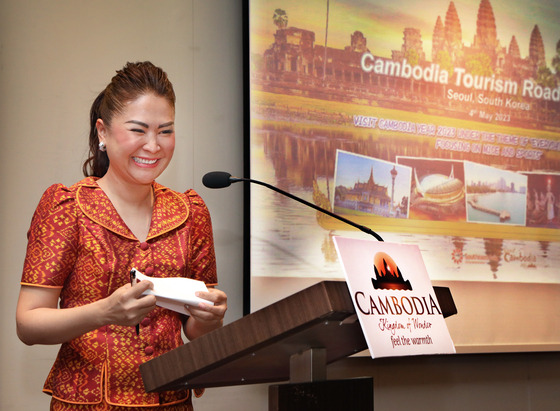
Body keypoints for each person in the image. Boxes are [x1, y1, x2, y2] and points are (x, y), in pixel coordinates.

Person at [16, 61, 227, 410]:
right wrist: (104, 312)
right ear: (102, 132)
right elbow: (28, 323)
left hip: (172, 402)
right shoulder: (67, 207)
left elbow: (193, 331)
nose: (153, 146)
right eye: (138, 130)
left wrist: (210, 318)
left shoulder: (191, 212)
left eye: (165, 131)